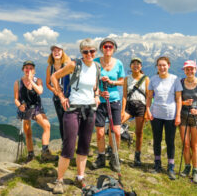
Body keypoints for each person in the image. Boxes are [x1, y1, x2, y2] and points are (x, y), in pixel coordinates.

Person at [50, 38, 101, 194]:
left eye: (92, 51)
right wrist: (61, 97)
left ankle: (80, 177)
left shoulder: (97, 67)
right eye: (85, 51)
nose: (89, 54)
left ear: (95, 52)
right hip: (73, 109)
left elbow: (95, 85)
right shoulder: (73, 65)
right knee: (69, 146)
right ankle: (59, 180)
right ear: (81, 53)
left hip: (90, 109)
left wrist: (97, 95)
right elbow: (54, 77)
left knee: (84, 145)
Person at [146, 56, 182, 180]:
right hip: (156, 114)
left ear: (169, 65)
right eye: (159, 65)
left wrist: (178, 115)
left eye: (164, 65)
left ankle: (171, 166)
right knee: (157, 139)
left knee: (170, 141)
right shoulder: (153, 79)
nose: (162, 67)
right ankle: (157, 164)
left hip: (171, 115)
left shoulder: (175, 79)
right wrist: (147, 110)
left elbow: (178, 99)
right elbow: (149, 97)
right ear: (157, 67)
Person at [92, 38, 125, 171]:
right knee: (100, 132)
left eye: (110, 47)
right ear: (101, 48)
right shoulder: (95, 63)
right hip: (99, 101)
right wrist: (99, 92)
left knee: (116, 131)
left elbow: (122, 81)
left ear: (114, 49)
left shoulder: (119, 64)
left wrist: (111, 82)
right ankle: (101, 157)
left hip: (114, 100)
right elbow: (90, 81)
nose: (108, 49)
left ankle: (113, 155)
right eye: (105, 46)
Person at [13, 60, 55, 162]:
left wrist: (31, 80)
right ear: (23, 69)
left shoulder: (38, 80)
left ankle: (44, 152)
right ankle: (30, 155)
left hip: (36, 107)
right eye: (26, 68)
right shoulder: (17, 83)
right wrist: (19, 106)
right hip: (25, 109)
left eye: (31, 68)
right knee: (28, 133)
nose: (28, 70)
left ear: (34, 70)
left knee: (47, 125)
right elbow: (16, 99)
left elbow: (40, 91)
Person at [121, 57, 149, 166]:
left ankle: (137, 155)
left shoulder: (146, 79)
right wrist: (122, 111)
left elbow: (148, 96)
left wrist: (147, 111)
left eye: (138, 64)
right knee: (116, 124)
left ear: (141, 66)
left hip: (141, 106)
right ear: (130, 66)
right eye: (133, 64)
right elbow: (124, 95)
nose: (136, 66)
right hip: (129, 105)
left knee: (139, 132)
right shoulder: (127, 79)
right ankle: (112, 150)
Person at [45, 44, 70, 141]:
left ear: (62, 52)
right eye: (54, 51)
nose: (56, 52)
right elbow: (48, 83)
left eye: (59, 50)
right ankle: (65, 143)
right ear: (51, 53)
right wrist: (54, 90)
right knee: (62, 121)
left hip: (68, 97)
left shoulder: (68, 65)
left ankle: (73, 141)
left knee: (71, 120)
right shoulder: (50, 68)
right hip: (57, 98)